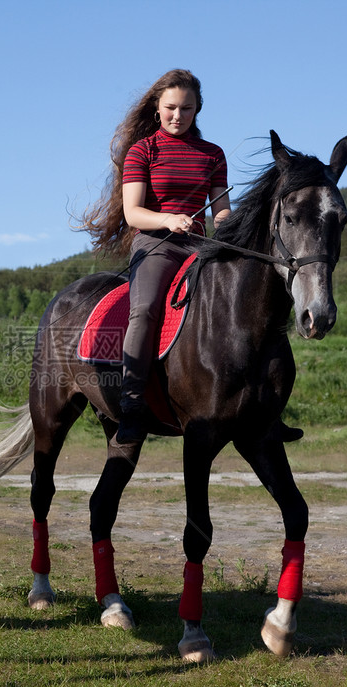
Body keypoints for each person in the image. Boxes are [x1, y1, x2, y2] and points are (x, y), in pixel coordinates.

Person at [83, 69, 230, 445]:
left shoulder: (213, 154)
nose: (178, 116)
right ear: (157, 107)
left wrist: (232, 226)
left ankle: (255, 405)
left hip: (199, 246)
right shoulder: (143, 151)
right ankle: (131, 404)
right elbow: (133, 213)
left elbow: (222, 211)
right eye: (171, 108)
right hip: (155, 245)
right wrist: (167, 219)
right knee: (145, 307)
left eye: (187, 109)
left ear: (198, 110)